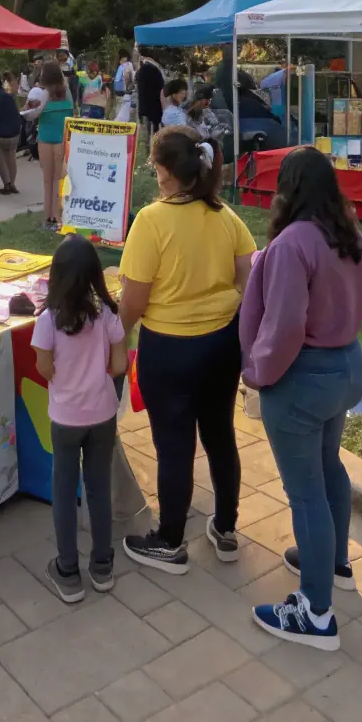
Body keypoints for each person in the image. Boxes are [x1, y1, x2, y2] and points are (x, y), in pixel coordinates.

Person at [239, 146, 362, 650]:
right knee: (329, 467)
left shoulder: (294, 243)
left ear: (287, 188)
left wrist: (258, 373)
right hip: (346, 367)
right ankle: (334, 561)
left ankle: (315, 613)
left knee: (306, 493)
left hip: (302, 378)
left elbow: (285, 324)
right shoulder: (352, 236)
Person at [117, 126, 255, 575]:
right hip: (222, 345)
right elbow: (247, 278)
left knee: (174, 445)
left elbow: (133, 303)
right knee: (219, 436)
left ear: (165, 170)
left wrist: (113, 336)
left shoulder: (151, 221)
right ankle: (227, 528)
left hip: (169, 349)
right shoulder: (225, 216)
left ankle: (170, 540)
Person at [32, 235, 128, 603]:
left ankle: (67, 570)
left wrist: (65, 378)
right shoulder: (107, 314)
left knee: (63, 489)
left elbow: (44, 368)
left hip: (66, 418)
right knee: (99, 487)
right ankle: (102, 567)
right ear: (94, 274)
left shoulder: (47, 321)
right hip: (102, 413)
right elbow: (119, 365)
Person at [22, 61, 75, 229]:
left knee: (47, 180)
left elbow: (27, 113)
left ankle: (48, 218)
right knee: (59, 179)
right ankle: (59, 218)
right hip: (61, 137)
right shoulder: (66, 92)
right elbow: (72, 111)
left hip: (44, 137)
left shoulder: (40, 94)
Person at [135, 55, 165, 144]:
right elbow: (162, 88)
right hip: (155, 106)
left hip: (145, 106)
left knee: (148, 134)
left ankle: (149, 148)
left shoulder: (142, 71)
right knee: (155, 131)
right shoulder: (156, 70)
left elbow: (140, 92)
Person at [112, 50, 135, 120]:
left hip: (124, 95)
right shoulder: (123, 66)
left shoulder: (127, 65)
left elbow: (128, 78)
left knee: (121, 118)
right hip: (121, 95)